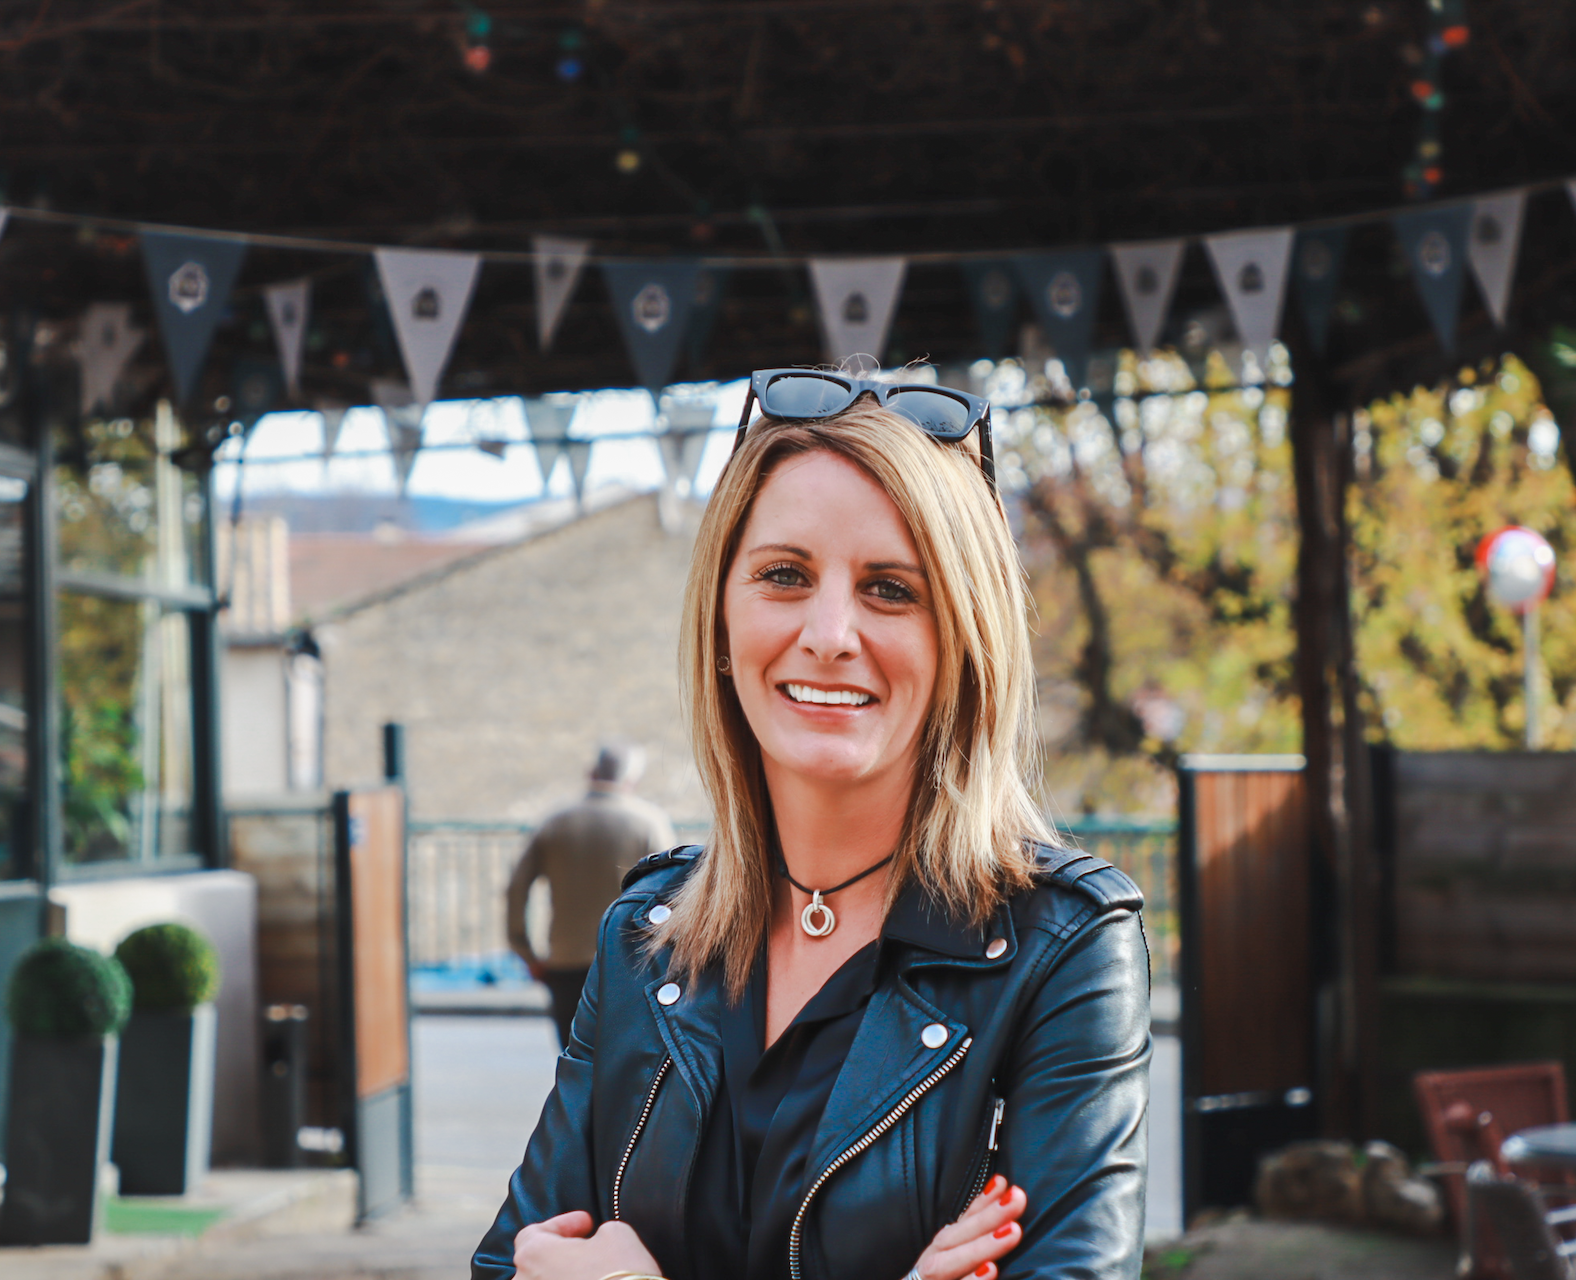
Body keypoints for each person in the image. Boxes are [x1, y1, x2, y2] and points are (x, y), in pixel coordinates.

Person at [475, 369, 1151, 1280]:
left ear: (964, 639)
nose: (831, 632)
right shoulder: (644, 939)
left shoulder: (1061, 953)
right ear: (721, 618)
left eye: (891, 590)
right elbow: (506, 1265)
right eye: (784, 576)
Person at [507, 742, 676, 1050]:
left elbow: (516, 889)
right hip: (629, 960)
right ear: (632, 780)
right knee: (623, 1060)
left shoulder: (554, 821)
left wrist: (525, 951)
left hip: (565, 959)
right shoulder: (649, 822)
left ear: (591, 772)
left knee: (573, 1056)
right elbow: (671, 895)